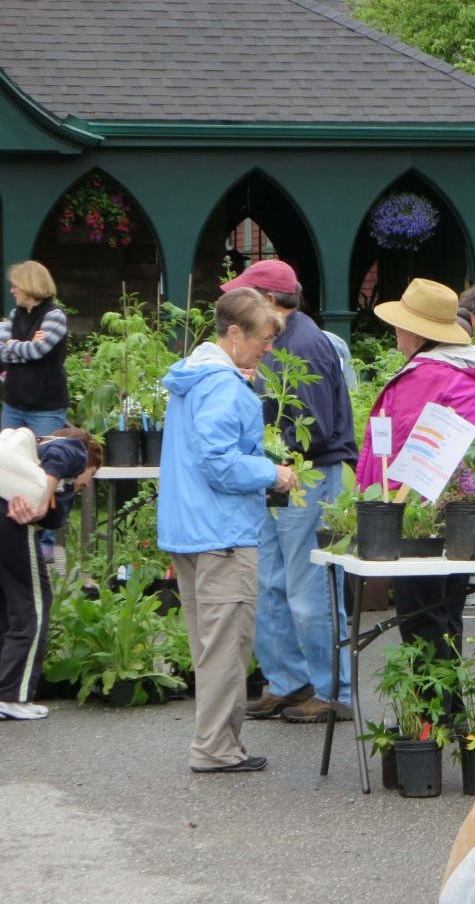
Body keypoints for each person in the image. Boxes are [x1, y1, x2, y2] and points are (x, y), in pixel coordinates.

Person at [157, 288, 298, 773]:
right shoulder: (222, 385)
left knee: (207, 646)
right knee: (225, 649)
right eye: (262, 338)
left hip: (189, 529)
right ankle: (215, 749)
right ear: (234, 334)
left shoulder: (194, 377)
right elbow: (219, 463)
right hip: (222, 534)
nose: (268, 348)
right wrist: (271, 473)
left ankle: (216, 743)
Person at [217, 261, 359, 726]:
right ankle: (287, 682)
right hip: (274, 474)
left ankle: (330, 690)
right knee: (268, 584)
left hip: (308, 475)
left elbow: (314, 429)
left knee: (310, 590)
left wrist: (271, 458)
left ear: (272, 300)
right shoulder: (276, 338)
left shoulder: (306, 344)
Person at [355, 279, 475, 709]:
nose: (396, 333)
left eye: (401, 325)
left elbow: (393, 453)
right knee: (448, 613)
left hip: (413, 513)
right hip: (459, 515)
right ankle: (447, 712)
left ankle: (438, 713)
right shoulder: (469, 376)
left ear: (419, 333)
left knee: (420, 618)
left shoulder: (423, 378)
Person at [0, 428, 101, 720]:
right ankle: (12, 695)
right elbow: (63, 454)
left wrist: (51, 496)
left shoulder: (31, 460)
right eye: (89, 477)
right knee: (34, 606)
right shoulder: (74, 449)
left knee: (7, 607)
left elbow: (55, 518)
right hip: (11, 524)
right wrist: (42, 495)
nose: (84, 484)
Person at [2, 261, 70, 564]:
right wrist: (24, 344)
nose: (12, 290)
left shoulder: (54, 316)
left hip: (46, 405)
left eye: (16, 284)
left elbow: (38, 352)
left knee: (44, 469)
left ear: (30, 285)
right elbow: (6, 350)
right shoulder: (14, 317)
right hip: (14, 403)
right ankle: (8, 527)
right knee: (6, 463)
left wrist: (15, 347)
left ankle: (45, 538)